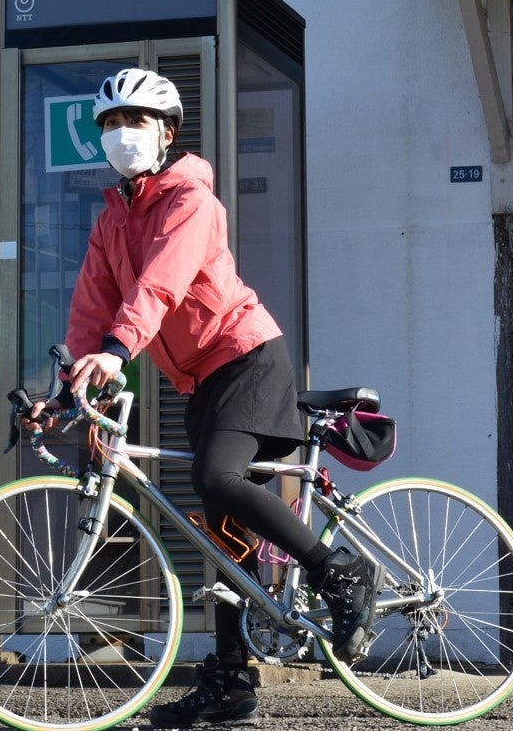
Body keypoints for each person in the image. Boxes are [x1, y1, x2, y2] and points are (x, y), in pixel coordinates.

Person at [30, 67, 381, 728]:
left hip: (245, 358)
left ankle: (339, 570)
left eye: (136, 121)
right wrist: (68, 388)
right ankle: (229, 681)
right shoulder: (111, 222)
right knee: (222, 534)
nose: (122, 133)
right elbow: (90, 311)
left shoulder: (192, 200)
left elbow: (160, 284)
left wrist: (119, 348)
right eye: (110, 123)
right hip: (199, 380)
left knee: (216, 479)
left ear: (167, 132)